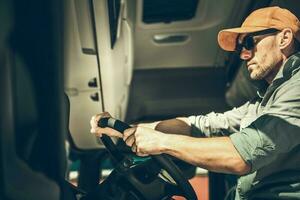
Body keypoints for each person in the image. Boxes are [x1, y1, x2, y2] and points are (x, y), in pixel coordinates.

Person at [90, 6, 300, 199]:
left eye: (248, 43)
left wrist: (161, 142)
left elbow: (240, 156)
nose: (244, 55)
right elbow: (201, 126)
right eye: (240, 48)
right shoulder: (262, 102)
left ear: (284, 38)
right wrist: (127, 130)